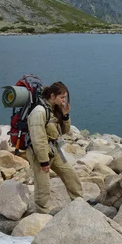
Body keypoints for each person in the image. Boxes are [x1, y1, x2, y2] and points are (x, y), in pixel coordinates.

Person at [26, 81, 83, 214]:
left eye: (65, 97)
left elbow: (64, 131)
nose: (64, 100)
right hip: (39, 154)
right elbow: (37, 139)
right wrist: (43, 161)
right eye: (62, 97)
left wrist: (65, 115)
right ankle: (42, 213)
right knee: (43, 186)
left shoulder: (53, 110)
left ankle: (79, 202)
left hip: (53, 149)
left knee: (70, 174)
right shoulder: (39, 112)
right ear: (52, 96)